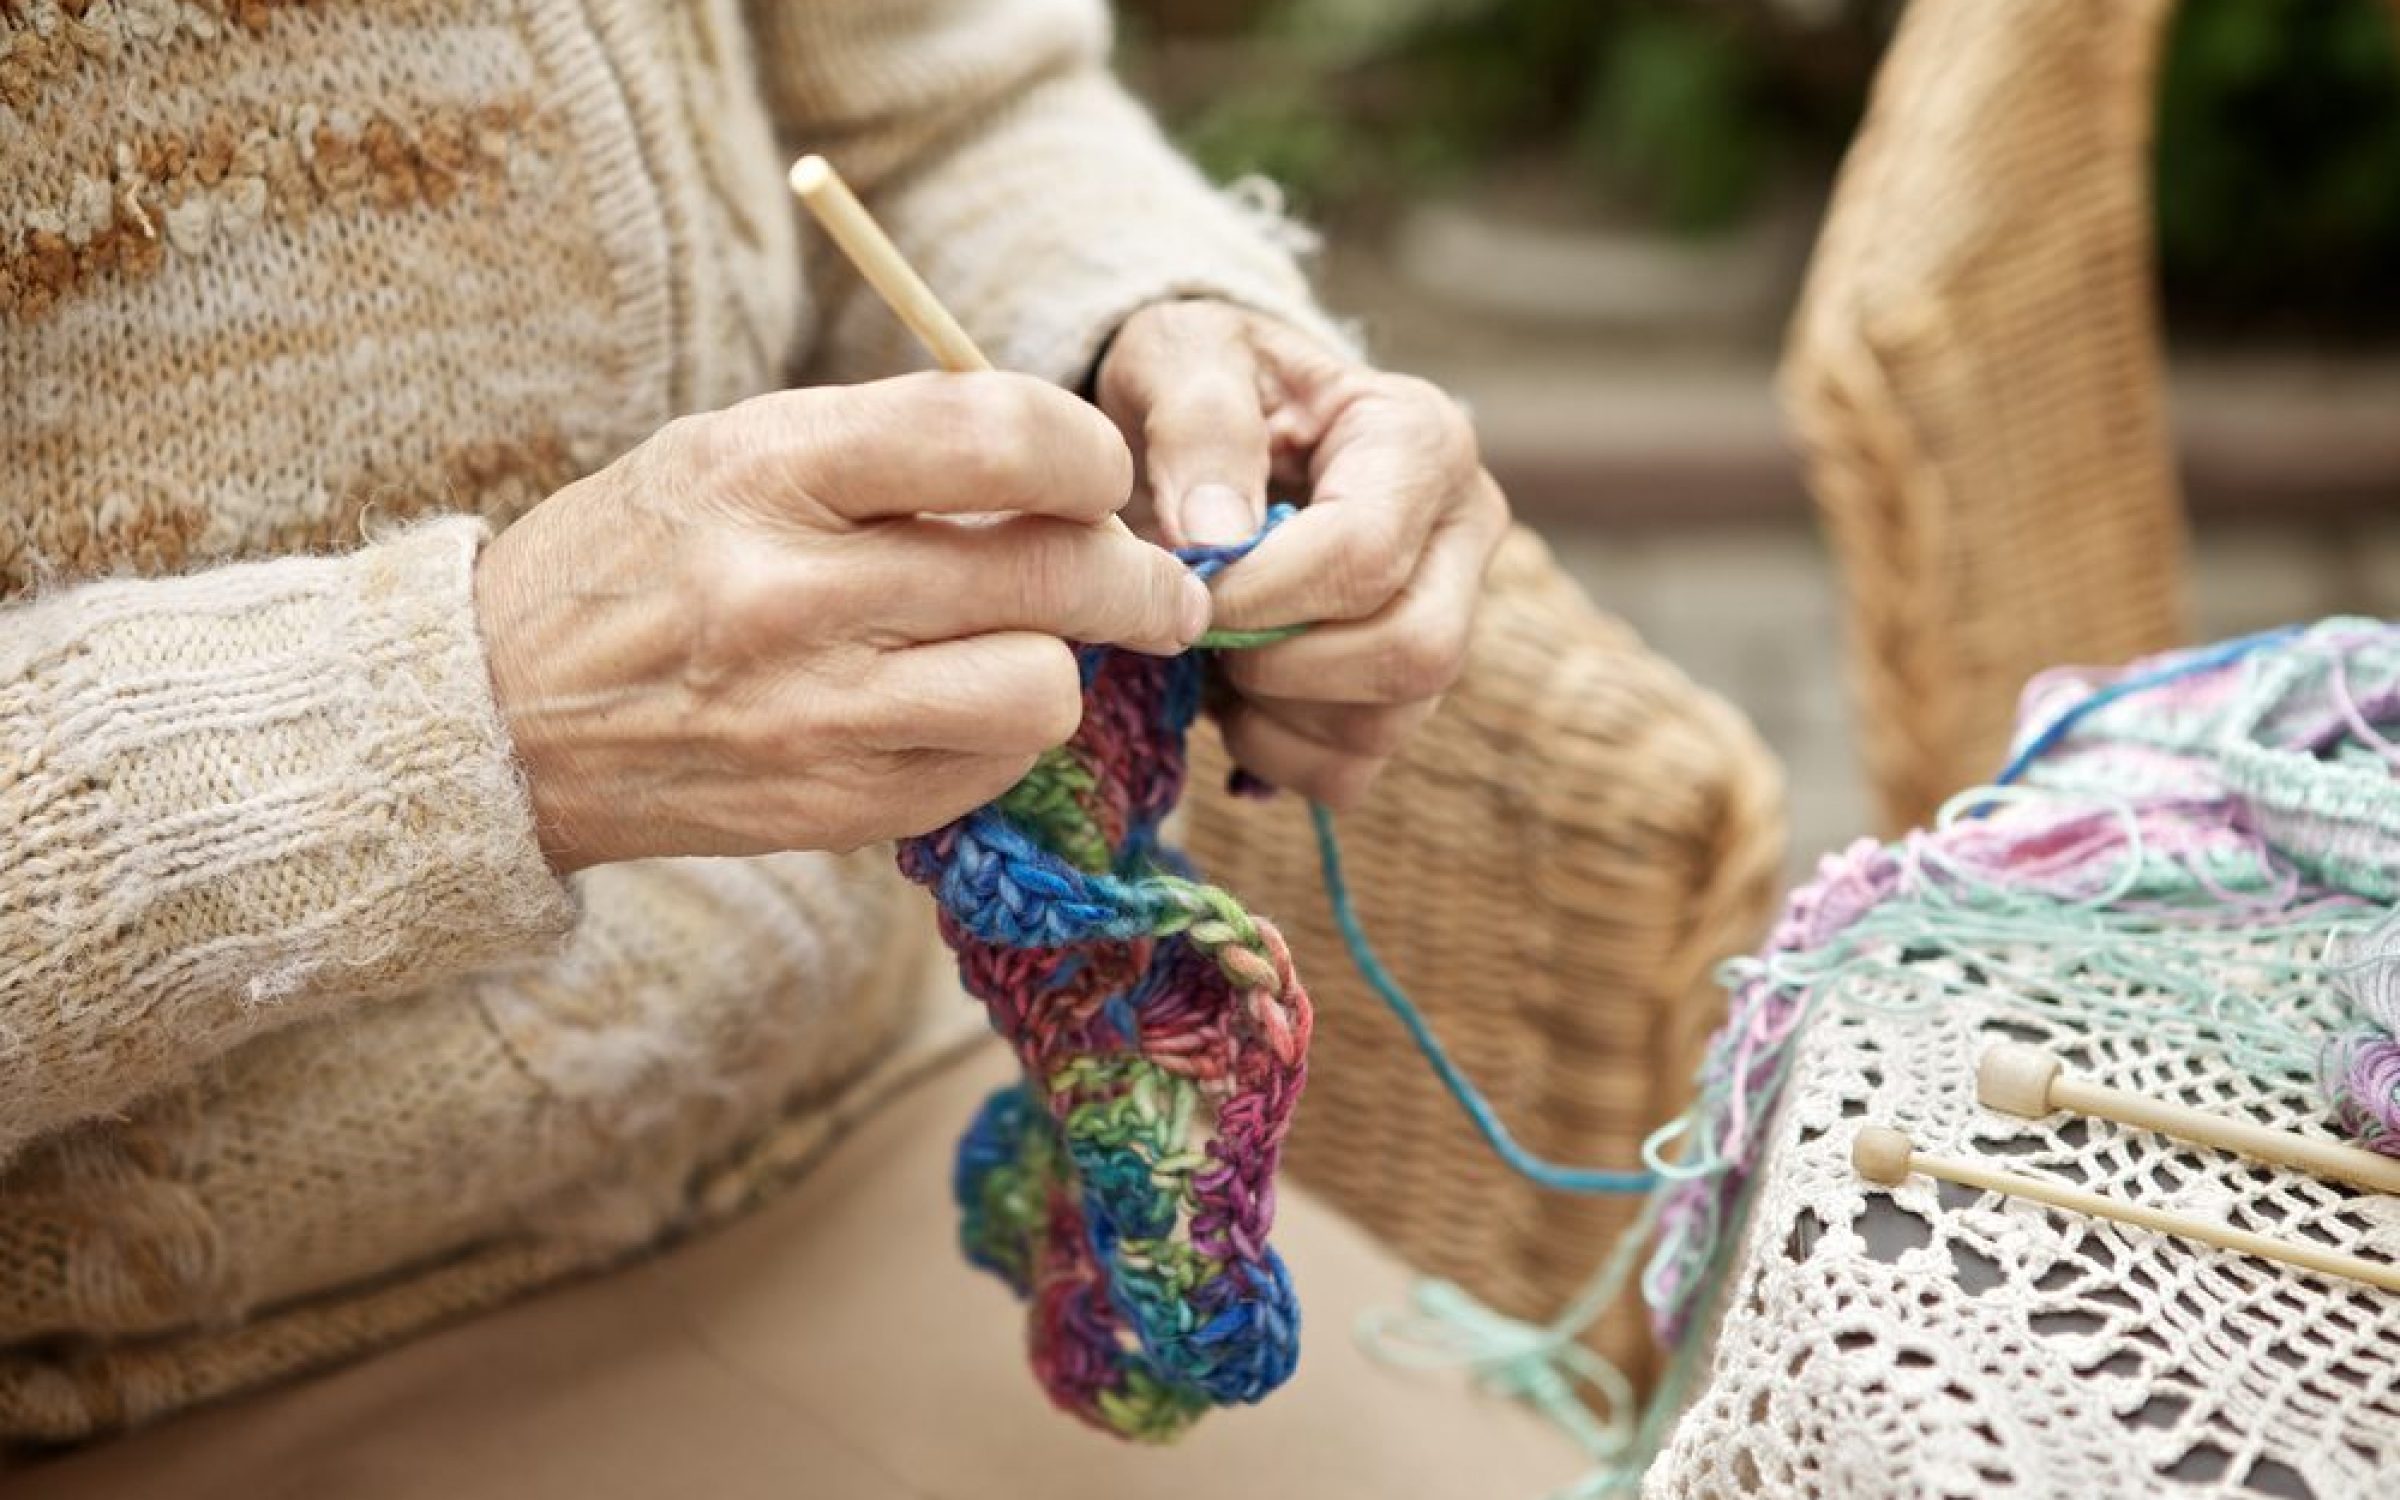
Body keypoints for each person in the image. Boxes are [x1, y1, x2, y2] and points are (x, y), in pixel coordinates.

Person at [0, 0, 1506, 1452]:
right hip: (140, 1364)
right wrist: (450, 722)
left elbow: (943, 112)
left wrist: (1148, 332)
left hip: (862, 1084)